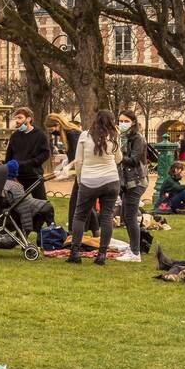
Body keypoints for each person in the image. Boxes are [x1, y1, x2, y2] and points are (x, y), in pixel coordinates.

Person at [59, 110, 122, 265]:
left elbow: (78, 161)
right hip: (111, 180)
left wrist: (80, 178)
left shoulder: (85, 135)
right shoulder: (114, 136)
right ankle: (101, 254)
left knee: (79, 215)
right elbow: (119, 158)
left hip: (89, 180)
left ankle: (75, 252)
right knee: (106, 217)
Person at [116, 109, 148, 261]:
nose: (122, 124)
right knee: (126, 216)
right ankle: (133, 247)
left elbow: (134, 160)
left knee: (130, 216)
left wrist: (118, 156)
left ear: (133, 122)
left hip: (136, 181)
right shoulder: (121, 137)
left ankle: (135, 252)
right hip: (125, 182)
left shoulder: (138, 138)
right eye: (120, 121)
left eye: (125, 121)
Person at [5, 107, 50, 201]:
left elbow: (45, 154)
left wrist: (31, 162)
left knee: (42, 203)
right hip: (18, 177)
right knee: (13, 203)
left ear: (28, 119)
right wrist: (10, 174)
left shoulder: (40, 135)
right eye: (16, 118)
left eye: (20, 118)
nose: (17, 121)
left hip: (34, 176)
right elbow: (9, 156)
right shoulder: (15, 136)